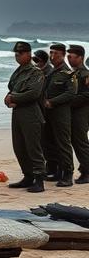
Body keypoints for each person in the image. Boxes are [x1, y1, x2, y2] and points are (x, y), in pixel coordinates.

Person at [5, 41, 47, 193]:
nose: (17, 56)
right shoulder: (18, 71)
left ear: (29, 54)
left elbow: (34, 94)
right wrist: (8, 98)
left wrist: (13, 98)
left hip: (31, 114)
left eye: (20, 53)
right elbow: (11, 87)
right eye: (16, 53)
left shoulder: (35, 72)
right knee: (19, 147)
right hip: (18, 114)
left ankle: (39, 180)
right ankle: (28, 176)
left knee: (33, 148)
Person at [42, 42, 77, 187]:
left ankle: (68, 174)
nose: (52, 56)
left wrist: (53, 102)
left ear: (63, 55)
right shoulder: (51, 72)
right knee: (49, 143)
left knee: (63, 144)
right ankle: (56, 171)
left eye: (56, 53)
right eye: (51, 53)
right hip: (47, 114)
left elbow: (71, 93)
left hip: (61, 113)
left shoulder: (68, 73)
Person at [67, 44, 89, 184]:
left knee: (80, 142)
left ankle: (87, 172)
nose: (69, 59)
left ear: (80, 58)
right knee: (76, 141)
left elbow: (87, 95)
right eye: (68, 57)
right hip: (74, 112)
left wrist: (68, 102)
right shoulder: (74, 73)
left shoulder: (85, 74)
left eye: (71, 57)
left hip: (82, 112)